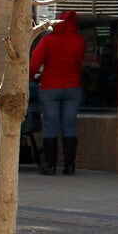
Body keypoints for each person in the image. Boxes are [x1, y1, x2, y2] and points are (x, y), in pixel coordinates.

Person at [28, 10, 86, 176]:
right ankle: (69, 165)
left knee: (51, 126)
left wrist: (29, 79)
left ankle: (50, 164)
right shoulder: (79, 41)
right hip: (73, 87)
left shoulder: (48, 41)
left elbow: (34, 63)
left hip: (50, 87)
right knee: (69, 126)